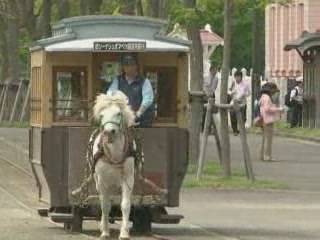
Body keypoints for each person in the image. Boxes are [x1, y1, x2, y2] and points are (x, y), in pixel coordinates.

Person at [107, 53, 154, 127]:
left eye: (131, 65)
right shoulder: (118, 80)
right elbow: (110, 93)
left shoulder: (144, 81)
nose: (128, 67)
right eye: (126, 65)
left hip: (141, 122)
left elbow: (148, 99)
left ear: (136, 66)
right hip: (122, 121)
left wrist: (138, 114)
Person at [259, 82, 284, 161]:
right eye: (273, 90)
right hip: (268, 120)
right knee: (268, 139)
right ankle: (267, 156)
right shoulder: (267, 98)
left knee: (264, 138)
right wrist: (278, 109)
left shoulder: (263, 97)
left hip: (264, 118)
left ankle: (262, 155)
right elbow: (267, 108)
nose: (274, 92)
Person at [229, 70, 251, 136]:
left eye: (238, 77)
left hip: (242, 103)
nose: (237, 78)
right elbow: (229, 91)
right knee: (232, 116)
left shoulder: (245, 84)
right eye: (236, 77)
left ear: (241, 77)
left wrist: (244, 95)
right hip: (234, 102)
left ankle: (241, 129)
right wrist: (231, 93)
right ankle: (235, 130)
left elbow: (249, 93)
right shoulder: (233, 83)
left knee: (242, 117)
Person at [202, 65, 219, 132]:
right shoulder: (205, 77)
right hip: (205, 95)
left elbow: (214, 88)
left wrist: (210, 94)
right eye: (214, 70)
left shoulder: (216, 79)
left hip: (211, 95)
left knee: (211, 112)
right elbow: (203, 86)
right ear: (211, 70)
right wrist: (205, 94)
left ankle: (209, 127)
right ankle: (203, 127)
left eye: (216, 71)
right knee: (205, 111)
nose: (215, 72)